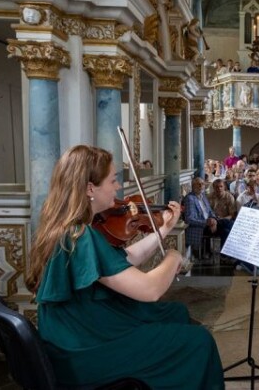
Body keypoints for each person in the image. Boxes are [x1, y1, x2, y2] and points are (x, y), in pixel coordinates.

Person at [26, 145, 223, 389]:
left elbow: (124, 259)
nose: (118, 187)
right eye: (113, 180)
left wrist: (163, 230)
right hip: (82, 351)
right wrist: (173, 258)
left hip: (74, 335)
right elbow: (150, 290)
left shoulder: (69, 229)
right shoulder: (79, 235)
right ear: (90, 188)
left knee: (175, 313)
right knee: (199, 341)